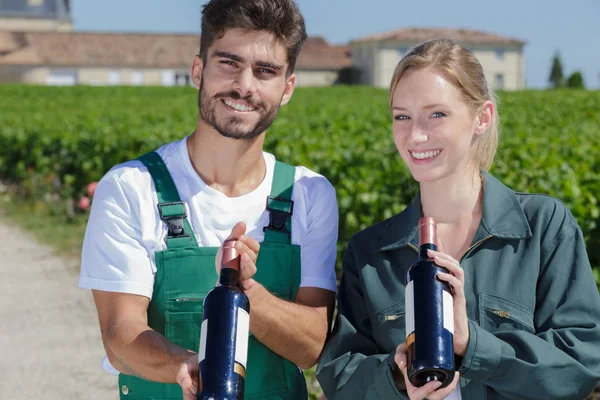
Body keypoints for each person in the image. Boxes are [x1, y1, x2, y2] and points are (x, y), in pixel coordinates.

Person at [78, 1, 339, 399]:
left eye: (265, 71)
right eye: (229, 63)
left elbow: (311, 347)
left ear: (286, 89)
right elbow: (119, 335)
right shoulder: (132, 187)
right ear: (198, 70)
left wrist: (248, 291)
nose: (244, 85)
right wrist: (188, 368)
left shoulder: (309, 194)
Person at [316, 38, 600, 400]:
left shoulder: (544, 228)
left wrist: (472, 345)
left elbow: (580, 364)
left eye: (437, 114)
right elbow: (339, 375)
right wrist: (396, 378)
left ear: (482, 118)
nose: (415, 135)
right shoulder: (369, 252)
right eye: (402, 116)